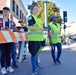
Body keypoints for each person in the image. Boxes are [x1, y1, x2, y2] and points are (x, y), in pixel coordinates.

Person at [28, 2, 45, 75]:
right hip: (33, 39)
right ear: (31, 10)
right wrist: (40, 28)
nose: (37, 10)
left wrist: (43, 29)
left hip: (38, 39)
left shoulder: (38, 19)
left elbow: (40, 28)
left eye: (38, 9)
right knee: (34, 54)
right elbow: (30, 27)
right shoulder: (31, 17)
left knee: (36, 54)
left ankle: (36, 67)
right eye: (35, 9)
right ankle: (33, 70)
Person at [0, 7, 16, 75]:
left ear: (9, 12)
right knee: (3, 54)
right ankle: (3, 68)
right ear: (2, 12)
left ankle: (9, 66)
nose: (5, 11)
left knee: (8, 53)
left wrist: (10, 30)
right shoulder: (0, 20)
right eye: (4, 10)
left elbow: (14, 28)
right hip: (1, 39)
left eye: (7, 10)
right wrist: (1, 29)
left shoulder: (11, 21)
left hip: (9, 39)